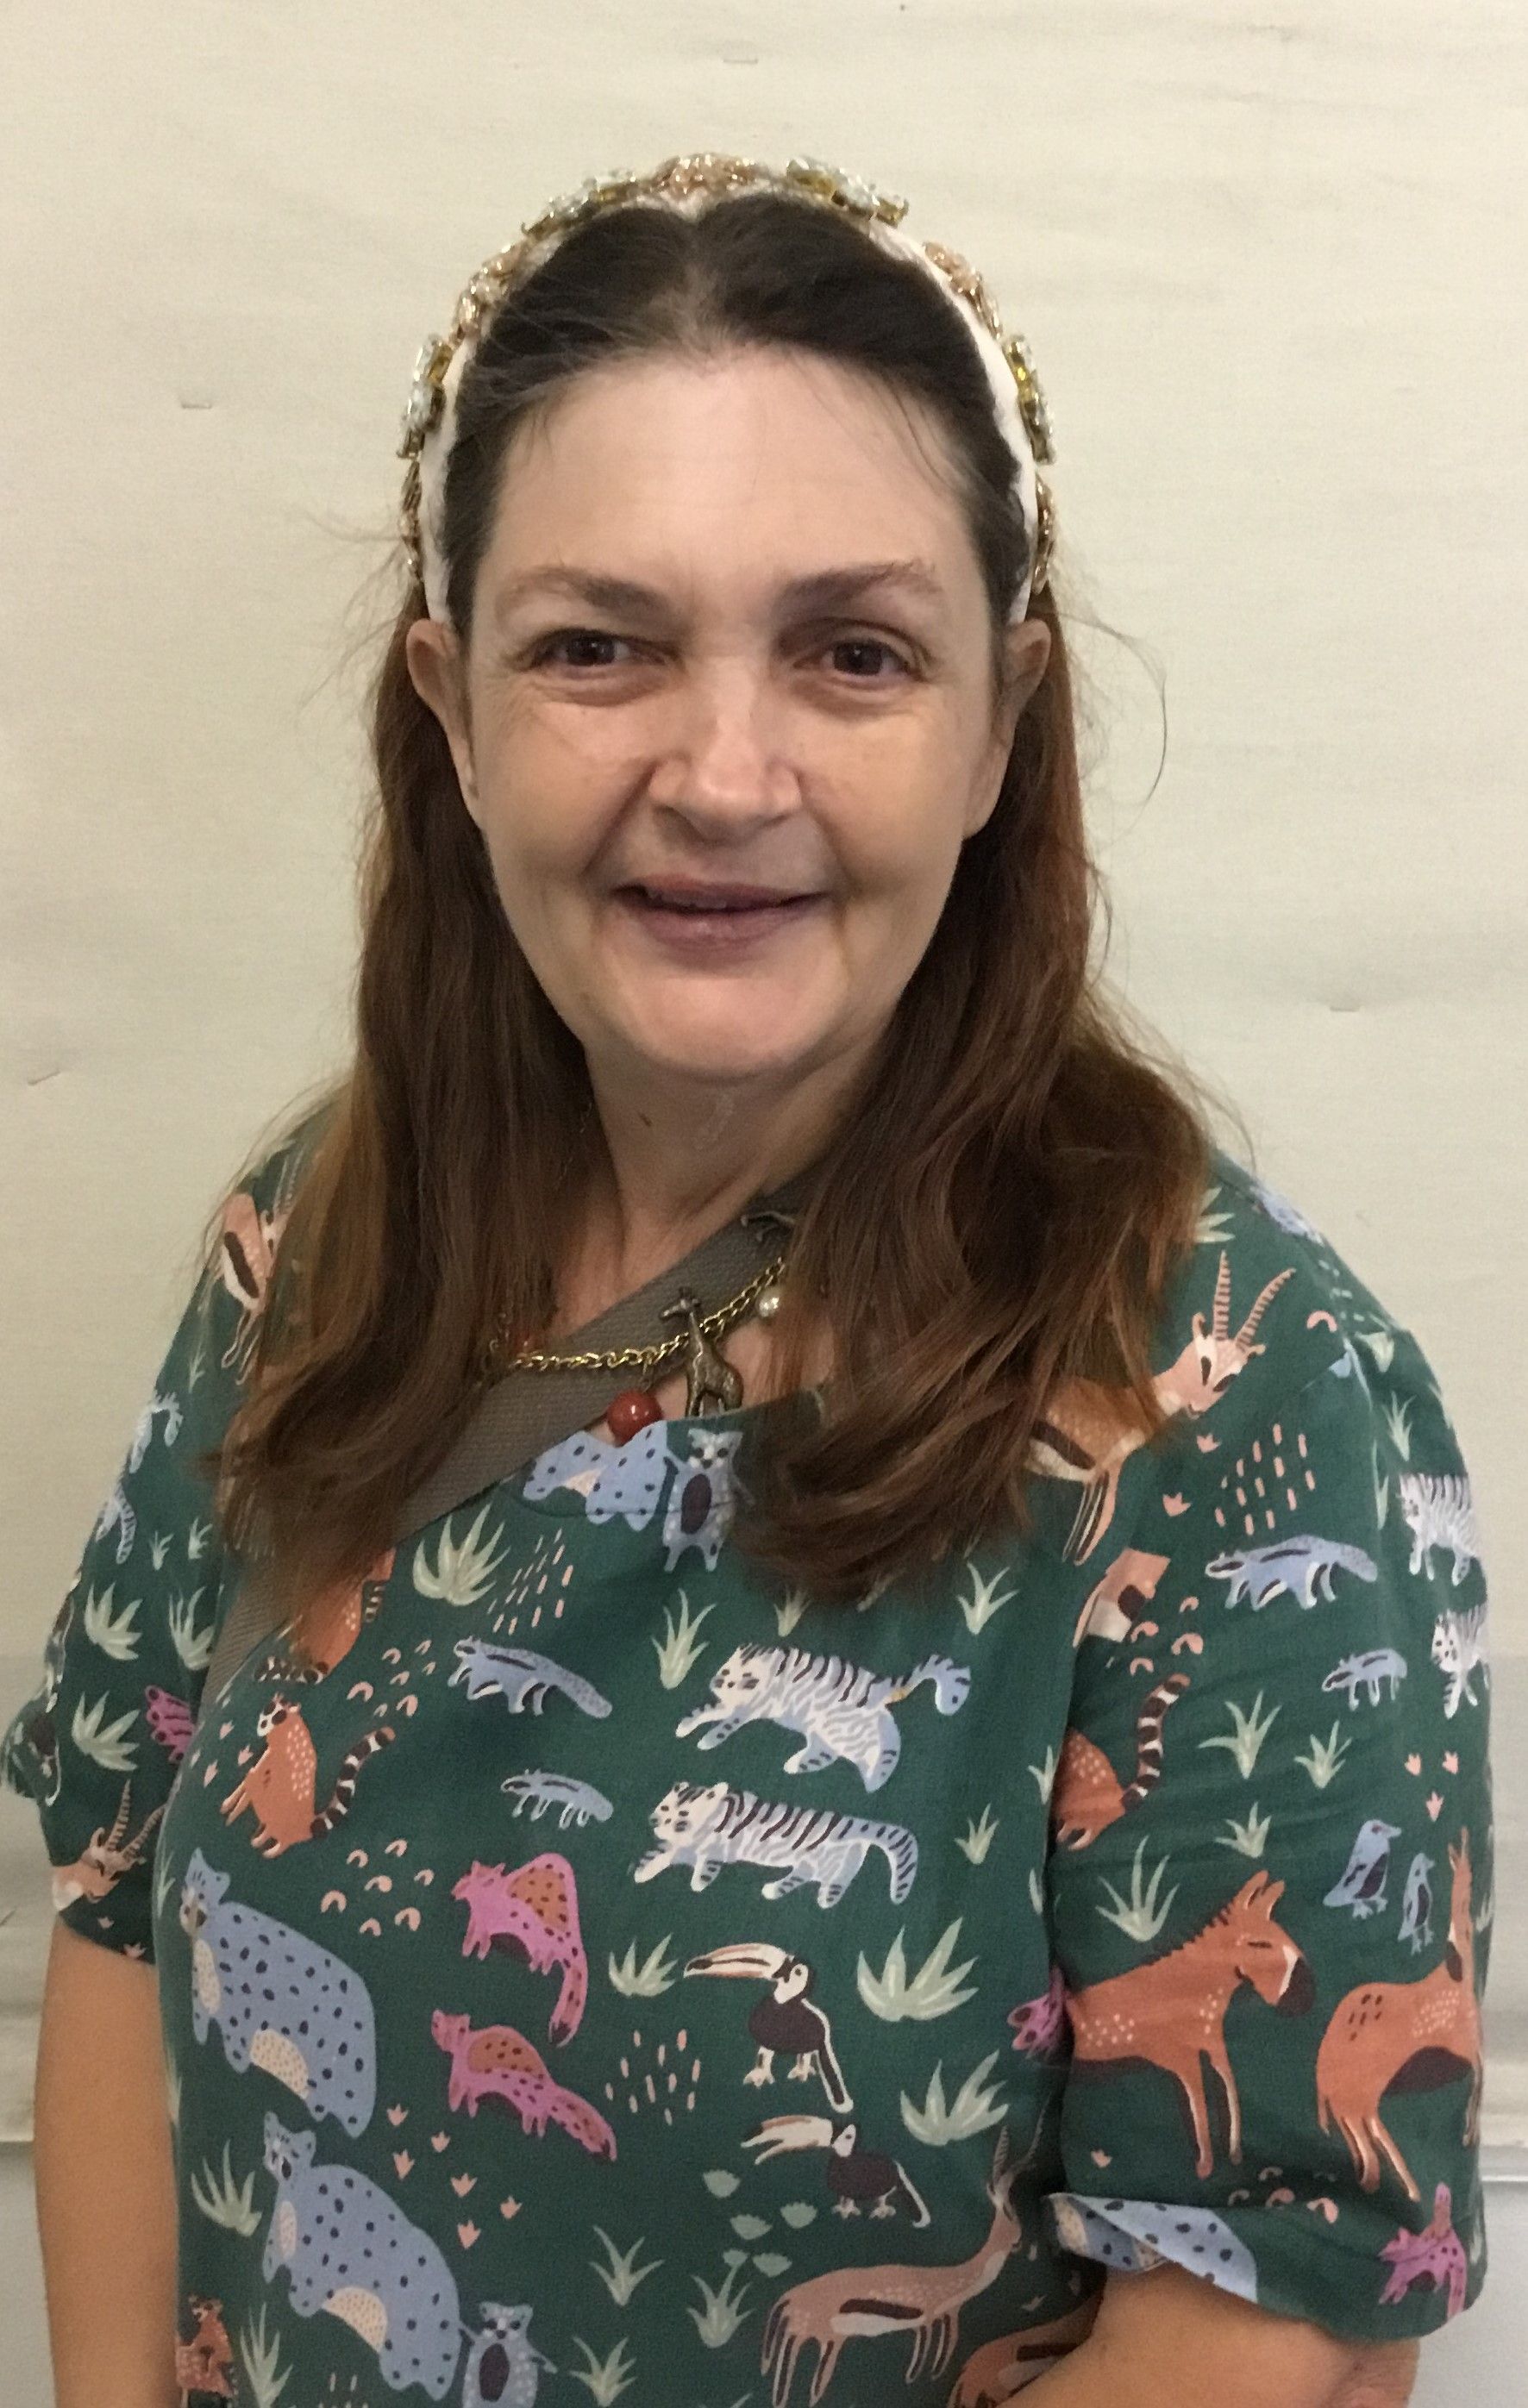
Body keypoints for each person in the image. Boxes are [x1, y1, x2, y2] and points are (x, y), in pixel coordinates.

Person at [3, 151, 1490, 2408]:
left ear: (998, 724)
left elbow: (1266, 2321)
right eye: (597, 645)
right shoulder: (315, 1236)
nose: (720, 771)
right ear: (451, 704)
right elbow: (116, 1894)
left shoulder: (1226, 1390)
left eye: (851, 651)